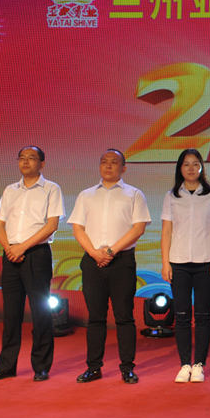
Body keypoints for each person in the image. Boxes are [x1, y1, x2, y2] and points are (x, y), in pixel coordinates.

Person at [68, 149, 150, 384]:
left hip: (122, 261)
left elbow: (138, 228)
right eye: (104, 162)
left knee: (124, 316)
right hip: (92, 261)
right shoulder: (86, 195)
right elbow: (77, 228)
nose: (108, 166)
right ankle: (94, 367)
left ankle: (127, 368)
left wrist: (111, 251)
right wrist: (95, 253)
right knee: (95, 317)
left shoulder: (134, 194)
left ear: (123, 168)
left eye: (114, 162)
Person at [0, 146, 64, 382]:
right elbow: (0, 224)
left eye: (31, 158)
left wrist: (23, 247)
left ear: (42, 163)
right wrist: (9, 248)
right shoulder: (10, 190)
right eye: (22, 158)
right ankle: (6, 366)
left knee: (40, 312)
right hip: (11, 255)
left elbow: (51, 225)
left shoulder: (51, 189)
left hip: (36, 254)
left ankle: (41, 366)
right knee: (11, 313)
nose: (26, 162)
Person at [160, 149, 210, 384]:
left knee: (203, 315)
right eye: (186, 164)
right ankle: (184, 364)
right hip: (178, 263)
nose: (190, 168)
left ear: (201, 167)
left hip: (205, 262)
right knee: (182, 315)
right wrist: (165, 262)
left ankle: (199, 365)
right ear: (180, 168)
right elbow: (166, 231)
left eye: (195, 164)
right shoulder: (172, 196)